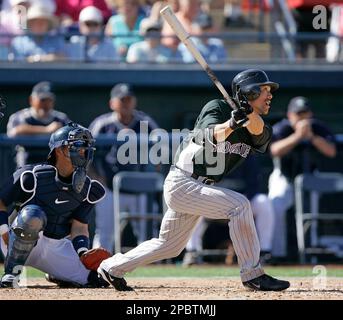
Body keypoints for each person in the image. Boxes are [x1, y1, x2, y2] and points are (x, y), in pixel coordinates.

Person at [97, 69, 290, 292]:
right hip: (183, 182)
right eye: (264, 90)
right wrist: (231, 124)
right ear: (249, 92)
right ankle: (253, 275)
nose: (270, 96)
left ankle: (111, 267)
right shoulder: (218, 107)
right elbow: (205, 135)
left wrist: (245, 116)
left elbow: (261, 135)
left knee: (169, 246)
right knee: (239, 205)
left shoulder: (259, 126)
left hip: (201, 187)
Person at [0, 122, 109, 288]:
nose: (83, 151)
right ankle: (11, 273)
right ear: (59, 150)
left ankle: (56, 274)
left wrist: (83, 253)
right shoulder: (30, 176)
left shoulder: (88, 188)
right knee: (32, 215)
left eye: (85, 147)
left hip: (55, 245)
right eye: (77, 146)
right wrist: (4, 232)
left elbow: (79, 227)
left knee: (95, 281)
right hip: (14, 240)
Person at [89, 83, 160, 253]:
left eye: (129, 99)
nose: (126, 103)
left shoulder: (145, 122)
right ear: (112, 103)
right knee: (105, 234)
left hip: (140, 188)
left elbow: (161, 148)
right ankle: (97, 267)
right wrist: (96, 177)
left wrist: (152, 174)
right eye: (122, 100)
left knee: (149, 235)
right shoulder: (103, 124)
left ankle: (152, 271)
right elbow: (86, 154)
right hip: (110, 189)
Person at [268, 96, 336, 261]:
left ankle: (310, 253)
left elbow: (331, 151)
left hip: (310, 177)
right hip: (284, 176)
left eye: (305, 113)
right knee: (275, 207)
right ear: (290, 115)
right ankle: (278, 254)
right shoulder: (283, 128)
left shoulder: (317, 127)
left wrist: (311, 137)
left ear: (310, 114)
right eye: (298, 114)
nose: (302, 118)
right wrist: (298, 136)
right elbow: (274, 150)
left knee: (311, 213)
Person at [182, 155, 275, 266]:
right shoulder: (206, 154)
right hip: (212, 202)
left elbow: (254, 184)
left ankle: (265, 252)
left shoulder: (245, 153)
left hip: (241, 202)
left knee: (263, 203)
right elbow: (197, 184)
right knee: (193, 204)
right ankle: (193, 252)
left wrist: (241, 201)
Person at [7, 81, 70, 168]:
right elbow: (13, 133)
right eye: (42, 100)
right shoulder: (20, 117)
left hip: (53, 168)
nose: (46, 104)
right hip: (26, 168)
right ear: (31, 100)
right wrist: (47, 130)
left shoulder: (61, 118)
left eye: (49, 100)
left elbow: (73, 136)